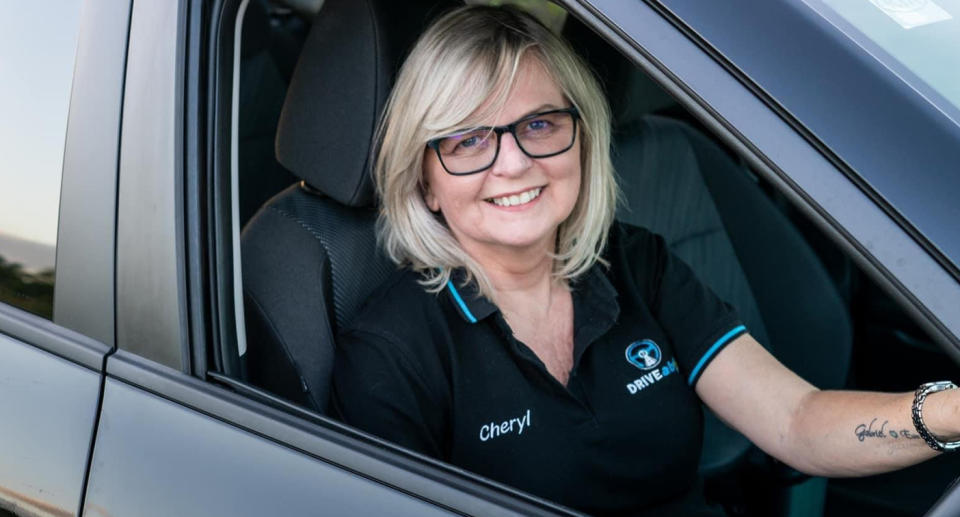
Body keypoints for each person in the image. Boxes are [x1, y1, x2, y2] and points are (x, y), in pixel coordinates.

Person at [330, 5, 960, 515]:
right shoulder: (393, 351)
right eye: (468, 140)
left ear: (582, 135)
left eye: (541, 124)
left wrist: (950, 412)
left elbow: (795, 421)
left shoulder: (637, 266)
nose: (514, 162)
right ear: (425, 183)